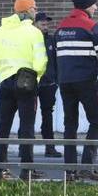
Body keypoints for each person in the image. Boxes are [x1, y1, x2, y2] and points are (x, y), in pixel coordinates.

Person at [0, 0, 48, 181]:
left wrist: (7, 72)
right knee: (27, 126)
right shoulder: (34, 32)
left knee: (3, 125)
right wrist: (34, 76)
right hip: (27, 83)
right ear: (26, 11)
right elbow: (41, 61)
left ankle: (0, 169)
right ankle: (26, 169)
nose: (36, 11)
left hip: (6, 82)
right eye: (34, 8)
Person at [56, 0, 98, 182]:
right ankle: (87, 166)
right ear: (87, 5)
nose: (96, 7)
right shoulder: (91, 26)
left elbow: (56, 56)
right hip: (86, 82)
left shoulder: (61, 27)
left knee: (70, 124)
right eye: (94, 4)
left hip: (65, 82)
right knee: (96, 121)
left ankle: (69, 171)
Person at [34, 12, 60, 158]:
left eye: (46, 24)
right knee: (28, 115)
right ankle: (24, 148)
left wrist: (56, 80)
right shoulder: (30, 39)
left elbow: (56, 61)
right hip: (32, 83)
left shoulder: (51, 40)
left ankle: (49, 147)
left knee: (47, 115)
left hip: (49, 84)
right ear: (35, 24)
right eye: (42, 24)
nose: (45, 26)